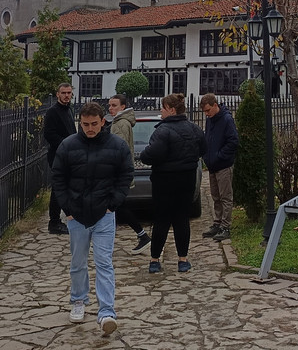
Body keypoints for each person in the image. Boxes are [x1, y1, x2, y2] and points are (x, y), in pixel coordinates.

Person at [52, 101, 132, 337]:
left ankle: (107, 312)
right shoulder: (68, 145)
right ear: (80, 123)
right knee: (78, 263)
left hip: (104, 215)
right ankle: (78, 301)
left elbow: (125, 174)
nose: (89, 128)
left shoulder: (117, 146)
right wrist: (67, 207)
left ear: (102, 122)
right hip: (76, 215)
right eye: (85, 124)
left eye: (93, 124)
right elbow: (58, 177)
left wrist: (113, 204)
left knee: (104, 263)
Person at [139, 93, 206, 274]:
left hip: (164, 180)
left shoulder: (162, 131)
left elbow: (151, 154)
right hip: (187, 178)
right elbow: (204, 147)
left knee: (161, 219)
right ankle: (182, 259)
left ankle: (154, 260)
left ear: (171, 109)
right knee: (182, 219)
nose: (160, 110)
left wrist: (144, 155)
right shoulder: (194, 128)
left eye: (162, 107)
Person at [107, 93, 151, 253]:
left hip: (117, 174)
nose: (110, 108)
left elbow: (118, 149)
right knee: (117, 207)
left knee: (118, 206)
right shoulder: (120, 122)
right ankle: (141, 235)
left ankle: (142, 235)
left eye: (114, 105)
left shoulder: (120, 124)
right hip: (121, 172)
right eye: (110, 105)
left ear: (123, 107)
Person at [199, 93, 239, 241]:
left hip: (223, 165)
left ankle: (225, 226)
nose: (207, 114)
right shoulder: (210, 120)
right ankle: (217, 222)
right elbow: (208, 137)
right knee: (216, 196)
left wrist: (219, 156)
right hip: (212, 164)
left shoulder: (227, 119)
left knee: (225, 196)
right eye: (205, 111)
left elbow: (233, 141)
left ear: (215, 105)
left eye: (208, 110)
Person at [43, 82, 76, 234]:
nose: (66, 95)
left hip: (70, 154)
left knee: (67, 186)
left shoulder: (69, 110)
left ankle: (69, 216)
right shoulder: (52, 112)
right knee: (58, 188)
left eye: (69, 93)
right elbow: (49, 135)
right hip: (57, 155)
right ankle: (54, 222)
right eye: (63, 93)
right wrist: (66, 144)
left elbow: (73, 131)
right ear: (57, 94)